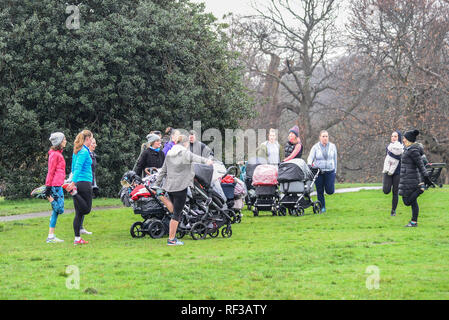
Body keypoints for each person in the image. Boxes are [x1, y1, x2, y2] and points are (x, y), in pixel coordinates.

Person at [154, 135, 214, 246]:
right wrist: (208, 161)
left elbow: (163, 171)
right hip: (180, 187)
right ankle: (171, 240)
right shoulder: (185, 153)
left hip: (170, 186)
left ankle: (162, 196)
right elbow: (197, 158)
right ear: (185, 143)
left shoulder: (169, 154)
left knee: (174, 212)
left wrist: (156, 185)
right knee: (177, 214)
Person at [399, 129, 433, 228]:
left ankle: (420, 190)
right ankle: (414, 222)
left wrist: (426, 177)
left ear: (409, 139)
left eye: (404, 138)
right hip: (407, 178)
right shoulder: (408, 149)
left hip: (411, 179)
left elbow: (420, 164)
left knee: (407, 201)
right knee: (413, 202)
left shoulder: (413, 150)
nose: (403, 140)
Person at [65, 130, 94, 245]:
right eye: (91, 138)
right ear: (87, 139)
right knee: (86, 210)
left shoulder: (77, 151)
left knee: (79, 213)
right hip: (84, 183)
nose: (92, 141)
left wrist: (72, 181)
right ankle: (74, 193)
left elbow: (73, 168)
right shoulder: (83, 152)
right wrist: (73, 183)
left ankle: (77, 239)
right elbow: (77, 168)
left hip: (78, 183)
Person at [44, 132, 68, 243]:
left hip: (58, 184)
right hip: (54, 185)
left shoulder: (58, 154)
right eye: (64, 139)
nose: (66, 141)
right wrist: (48, 186)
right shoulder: (54, 154)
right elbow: (51, 171)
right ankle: (48, 197)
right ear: (59, 142)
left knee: (56, 211)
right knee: (59, 209)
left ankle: (51, 236)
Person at [307, 130, 338, 213]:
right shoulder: (315, 147)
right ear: (320, 137)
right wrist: (309, 164)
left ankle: (328, 187)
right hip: (318, 172)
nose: (325, 138)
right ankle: (322, 207)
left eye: (326, 136)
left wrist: (335, 170)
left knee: (330, 191)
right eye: (323, 136)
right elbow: (310, 157)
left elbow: (335, 159)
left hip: (330, 171)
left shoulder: (332, 146)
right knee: (320, 191)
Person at [382, 131, 404, 216]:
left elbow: (400, 157)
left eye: (395, 136)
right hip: (388, 171)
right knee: (386, 190)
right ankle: (386, 185)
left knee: (395, 192)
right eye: (392, 136)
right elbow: (387, 158)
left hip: (397, 172)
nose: (393, 138)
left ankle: (393, 210)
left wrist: (392, 155)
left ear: (399, 138)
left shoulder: (402, 148)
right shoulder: (388, 147)